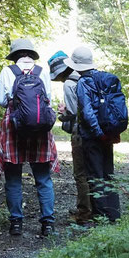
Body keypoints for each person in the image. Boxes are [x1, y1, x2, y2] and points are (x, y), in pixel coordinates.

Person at [0, 39, 59, 236]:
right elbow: (47, 99)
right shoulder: (42, 72)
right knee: (43, 178)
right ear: (31, 54)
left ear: (15, 55)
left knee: (13, 179)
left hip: (13, 128)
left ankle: (16, 223)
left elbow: (0, 100)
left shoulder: (8, 71)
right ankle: (47, 223)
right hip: (40, 129)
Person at [63, 46, 121, 222]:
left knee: (95, 177)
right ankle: (114, 215)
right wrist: (107, 133)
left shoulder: (83, 83)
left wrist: (97, 133)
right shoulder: (105, 78)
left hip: (92, 137)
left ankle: (101, 219)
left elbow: (87, 113)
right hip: (108, 134)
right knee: (108, 175)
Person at [48, 51, 93, 224]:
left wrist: (63, 112)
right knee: (93, 170)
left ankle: (84, 212)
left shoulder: (68, 84)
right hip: (93, 132)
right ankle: (96, 208)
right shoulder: (84, 77)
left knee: (80, 173)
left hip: (80, 132)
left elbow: (73, 113)